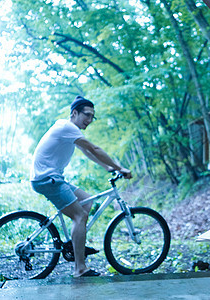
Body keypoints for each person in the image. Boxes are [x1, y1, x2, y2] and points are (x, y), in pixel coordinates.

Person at [30, 95, 132, 277]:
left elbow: (87, 152)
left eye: (93, 117)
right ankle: (80, 268)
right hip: (48, 179)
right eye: (87, 115)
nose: (90, 120)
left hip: (51, 178)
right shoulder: (66, 127)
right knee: (80, 216)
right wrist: (120, 168)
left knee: (86, 201)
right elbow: (94, 149)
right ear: (74, 113)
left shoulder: (67, 129)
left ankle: (75, 244)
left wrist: (108, 167)